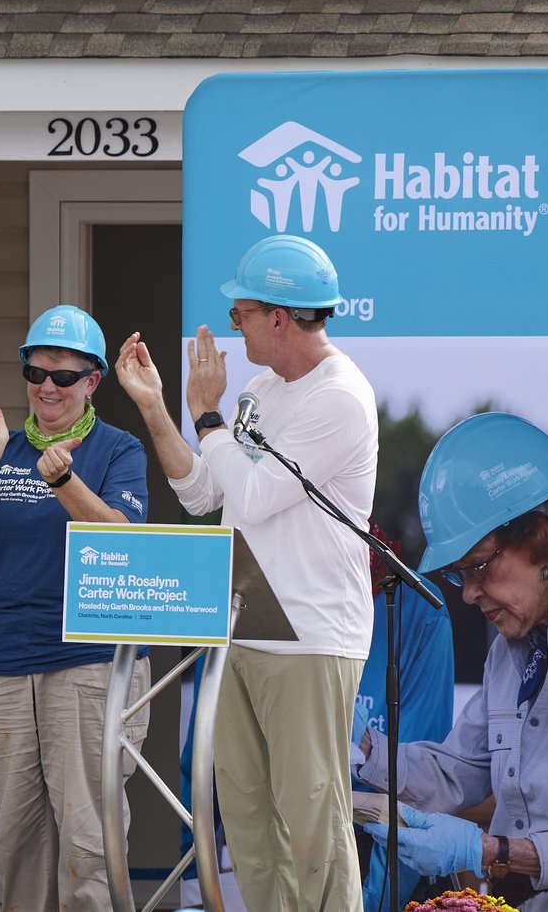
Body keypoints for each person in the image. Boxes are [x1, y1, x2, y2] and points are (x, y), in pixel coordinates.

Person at [116, 234, 375, 912]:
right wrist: (156, 407)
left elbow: (256, 494)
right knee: (249, 820)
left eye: (242, 312)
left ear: (280, 317)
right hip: (243, 627)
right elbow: (207, 491)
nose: (232, 324)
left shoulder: (341, 396)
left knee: (313, 821)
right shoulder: (261, 389)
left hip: (312, 636)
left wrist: (207, 415)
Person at [0, 304, 151, 912]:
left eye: (63, 376)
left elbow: (122, 537)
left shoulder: (117, 448)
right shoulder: (5, 447)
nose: (47, 388)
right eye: (35, 373)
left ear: (92, 381)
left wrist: (65, 482)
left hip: (87, 663)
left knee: (89, 840)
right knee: (14, 841)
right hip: (5, 665)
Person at [356, 413, 548, 911]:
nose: (470, 593)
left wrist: (486, 850)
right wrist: (362, 753)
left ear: (541, 535)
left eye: (478, 566)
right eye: (459, 576)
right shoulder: (512, 648)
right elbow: (460, 772)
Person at [350, 524, 455, 912]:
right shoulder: (270, 592)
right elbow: (212, 759)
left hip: (379, 862)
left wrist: (375, 902)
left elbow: (416, 788)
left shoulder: (414, 608)